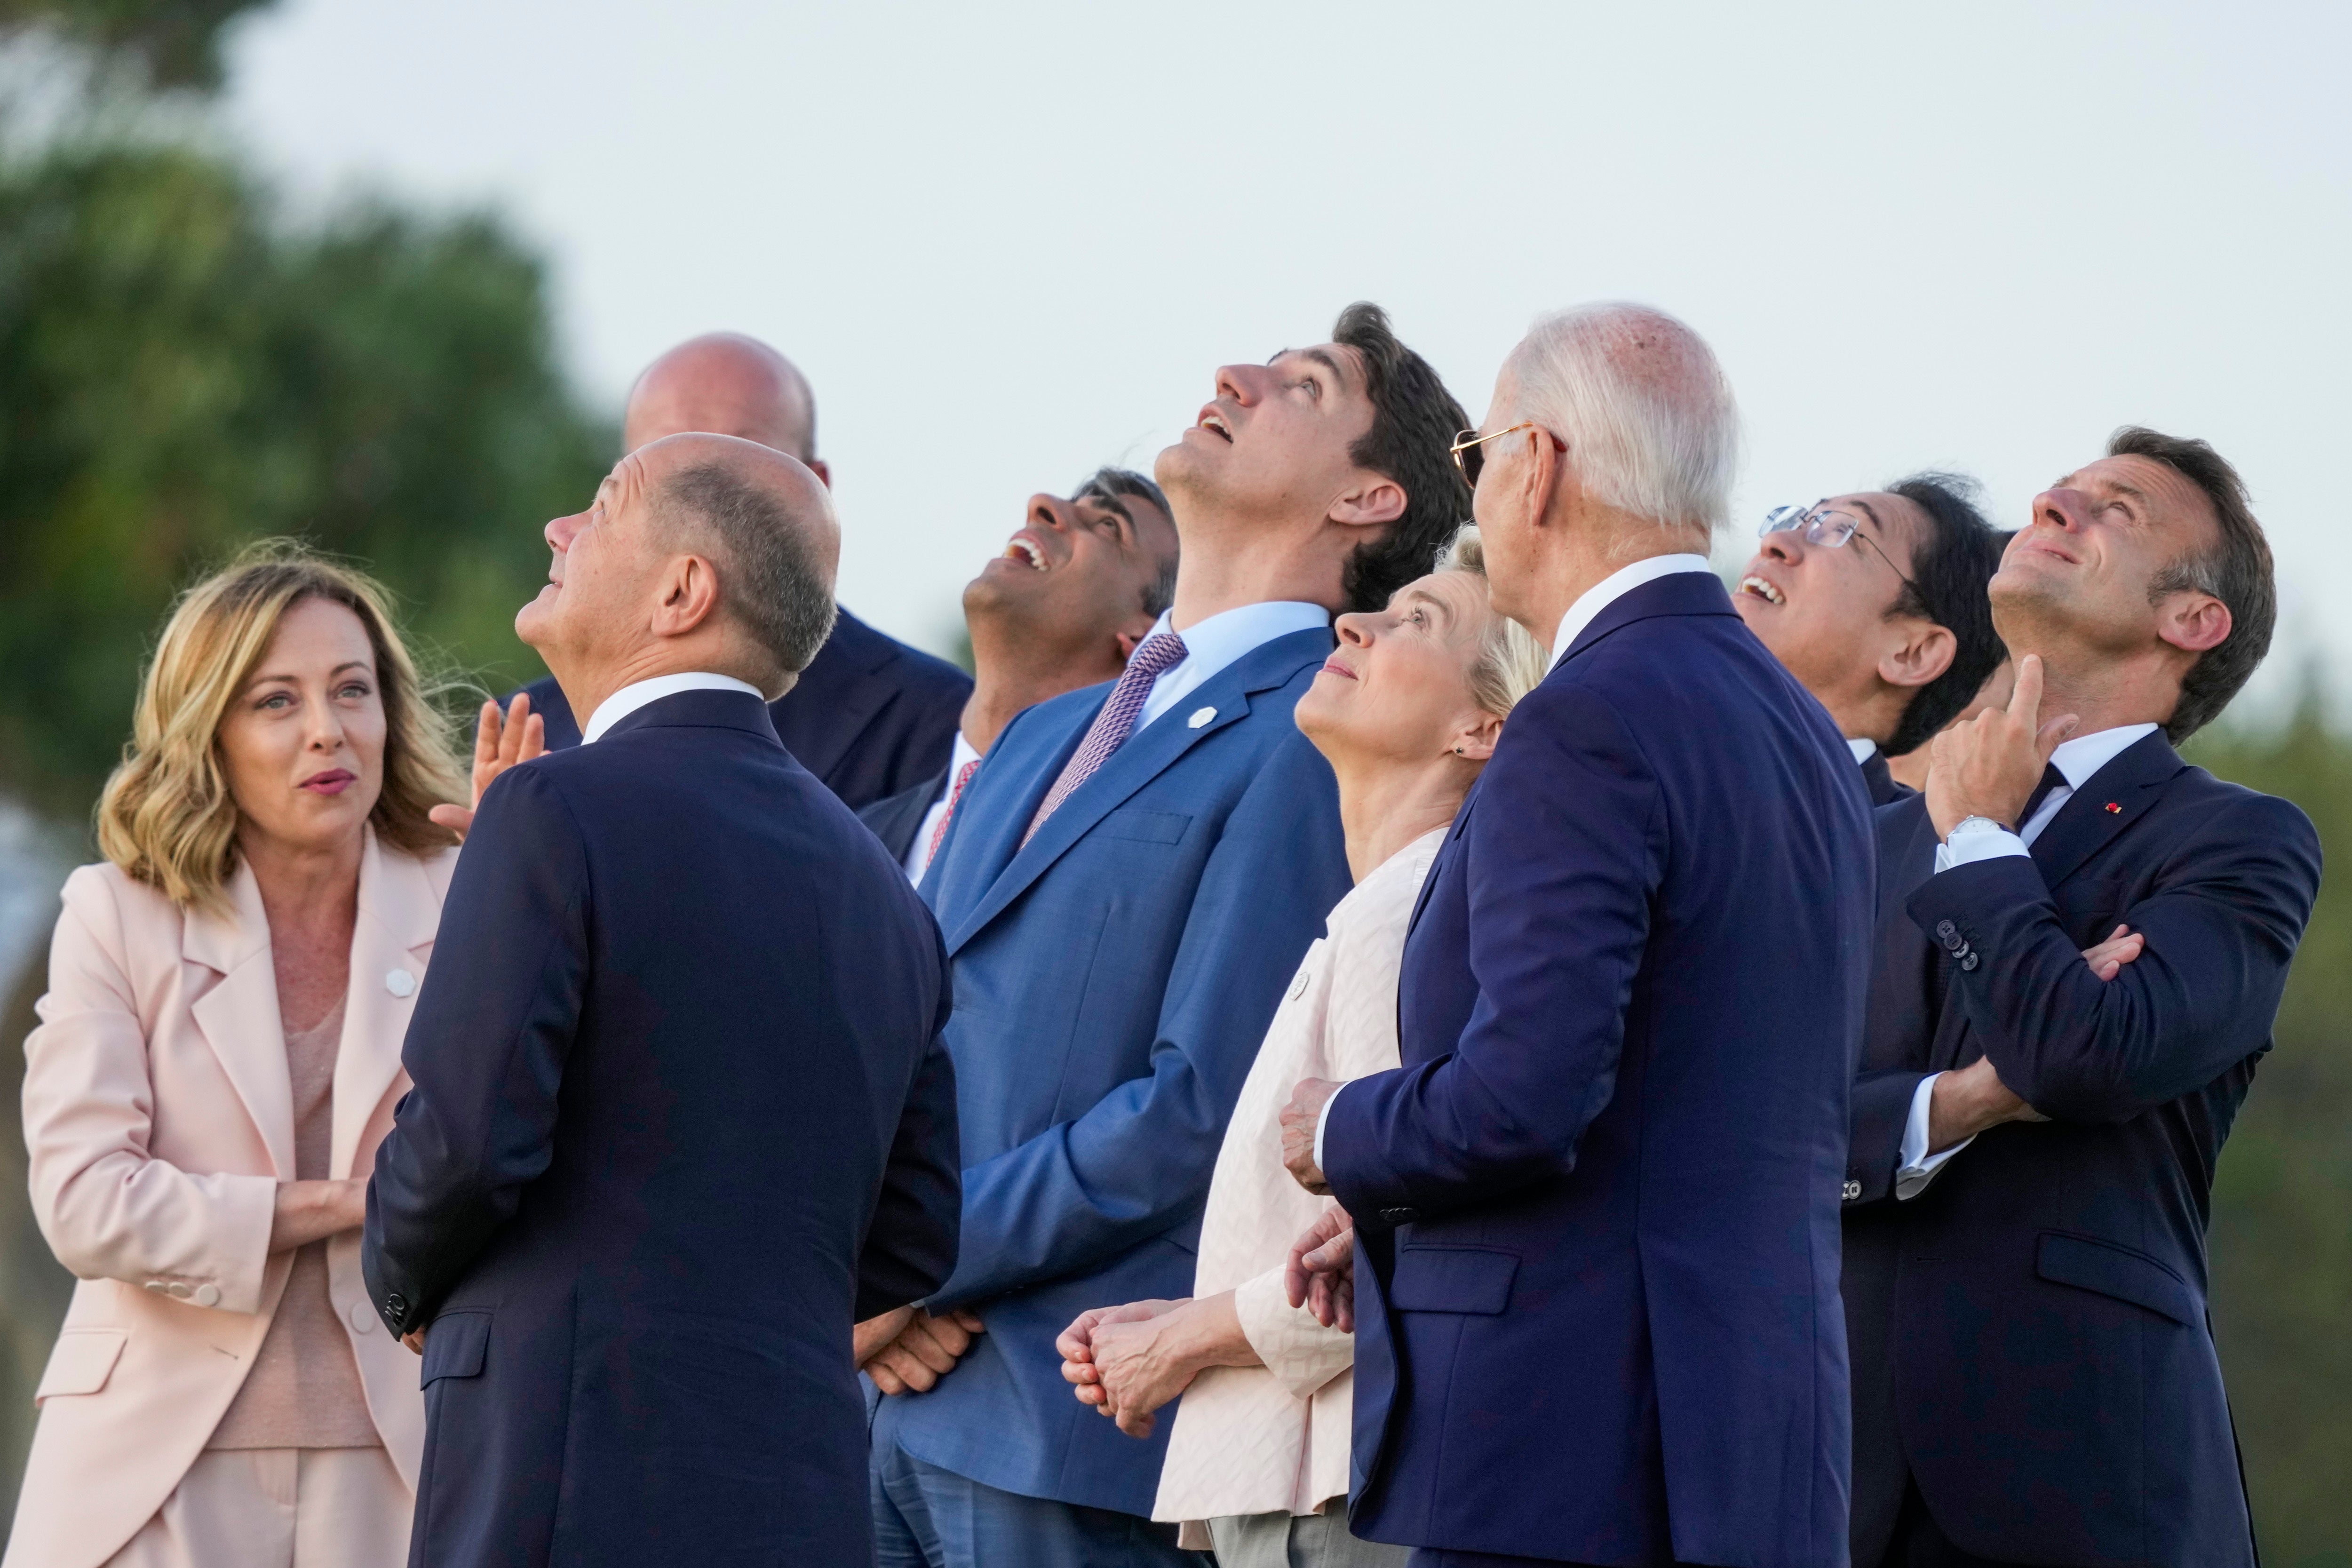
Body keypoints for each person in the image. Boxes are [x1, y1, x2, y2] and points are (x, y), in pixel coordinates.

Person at [862, 303, 1470, 1568]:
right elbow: (897, 1031)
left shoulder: (1316, 732)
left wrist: (918, 1259)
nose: (1233, 374)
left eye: (1301, 385)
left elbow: (1202, 1106)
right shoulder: (1041, 733)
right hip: (888, 1407)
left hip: (1073, 1424)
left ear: (1370, 496)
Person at [1285, 303, 1875, 1568]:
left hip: (1577, 1446)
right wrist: (1397, 1207)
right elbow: (1697, 1087)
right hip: (1756, 1433)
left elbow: (1529, 1097)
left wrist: (1342, 1127)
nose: (1480, 490)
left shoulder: (1586, 717)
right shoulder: (1801, 732)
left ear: (1538, 463)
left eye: (1479, 455)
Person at [362, 435, 962, 1567]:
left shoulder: (549, 813)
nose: (559, 529)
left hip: (562, 1461)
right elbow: (914, 1232)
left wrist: (404, 1283)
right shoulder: (889, 893)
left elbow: (465, 1142)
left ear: (682, 592)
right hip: (799, 1482)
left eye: (600, 506)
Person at [1841, 429, 2321, 1568]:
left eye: (2118, 509)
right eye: (2060, 491)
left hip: (2085, 1483)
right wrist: (1947, 1105)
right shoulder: (1860, 847)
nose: (2056, 502)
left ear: (2192, 621)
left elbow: (2081, 1055)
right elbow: (1761, 1124)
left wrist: (1978, 838)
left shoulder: (2237, 840)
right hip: (1834, 1476)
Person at [1054, 530, 1547, 1568]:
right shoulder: (1384, 908)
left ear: (1483, 724)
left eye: (1417, 621)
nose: (1352, 621)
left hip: (1335, 1494)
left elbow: (1398, 1255)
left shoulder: (1406, 917)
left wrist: (1178, 1343)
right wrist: (1185, 1317)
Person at [8, 545, 474, 1568]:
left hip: (405, 1462)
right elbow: (87, 1201)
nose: (327, 729)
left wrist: (541, 878)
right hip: (153, 1472)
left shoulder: (472, 895)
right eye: (276, 700)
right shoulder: (116, 913)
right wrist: (343, 1201)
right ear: (208, 733)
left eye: (352, 689)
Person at [515, 332, 972, 808]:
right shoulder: (522, 730)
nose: (696, 491)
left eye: (732, 463)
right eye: (658, 463)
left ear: (812, 489)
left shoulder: (938, 721)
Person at [861, 468, 1179, 877]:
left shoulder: (1133, 850)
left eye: (1107, 526)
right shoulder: (851, 842)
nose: (1041, 504)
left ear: (1149, 634)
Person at [1734, 476, 2007, 804]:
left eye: (1840, 532)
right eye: (1798, 521)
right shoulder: (1668, 761)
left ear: (1913, 654)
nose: (1776, 541)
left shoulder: (1921, 849)